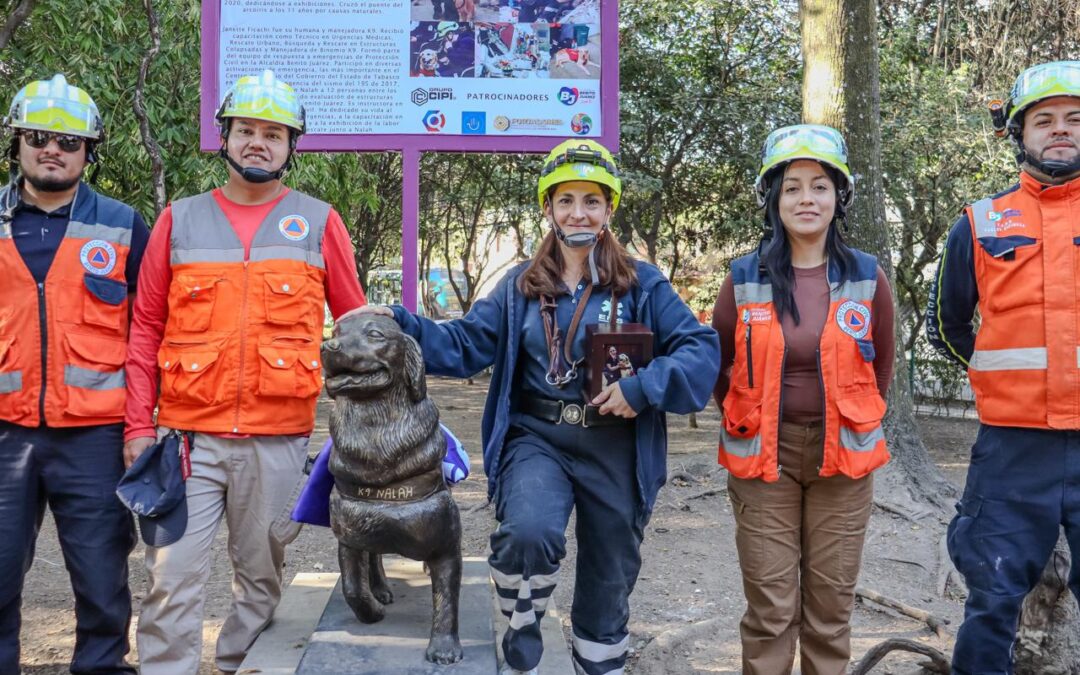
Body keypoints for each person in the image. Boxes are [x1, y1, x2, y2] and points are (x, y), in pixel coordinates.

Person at [357, 139, 719, 675]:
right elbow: (466, 344)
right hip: (538, 437)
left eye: (592, 200)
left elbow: (700, 349)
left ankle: (599, 662)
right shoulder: (519, 286)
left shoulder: (642, 284)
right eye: (565, 199)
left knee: (610, 572)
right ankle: (523, 620)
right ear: (547, 207)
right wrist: (402, 322)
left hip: (616, 445)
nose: (579, 211)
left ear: (609, 209)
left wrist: (643, 387)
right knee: (527, 531)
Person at [122, 70, 367, 674]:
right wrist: (136, 426)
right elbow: (145, 330)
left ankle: (239, 665)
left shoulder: (318, 220)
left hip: (278, 440)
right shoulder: (178, 221)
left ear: (290, 147)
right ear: (225, 137)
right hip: (188, 439)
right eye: (246, 130)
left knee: (259, 581)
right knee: (170, 576)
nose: (258, 142)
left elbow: (361, 331)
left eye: (273, 134)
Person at [712, 124, 895, 674]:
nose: (806, 198)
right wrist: (753, 418)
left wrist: (848, 416)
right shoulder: (744, 277)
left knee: (830, 609)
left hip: (844, 459)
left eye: (820, 186)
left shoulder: (867, 276)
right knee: (770, 609)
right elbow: (720, 365)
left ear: (839, 197)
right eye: (792, 187)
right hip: (763, 460)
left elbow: (880, 366)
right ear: (774, 199)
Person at [926, 60, 1080, 675]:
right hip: (1012, 450)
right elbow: (946, 325)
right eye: (1044, 120)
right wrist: (999, 378)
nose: (1060, 130)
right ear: (1020, 133)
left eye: (1074, 118)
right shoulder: (980, 222)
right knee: (991, 599)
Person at [0, 74, 149, 675]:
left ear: (89, 150)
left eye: (68, 140)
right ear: (17, 143)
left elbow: (148, 332)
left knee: (101, 581)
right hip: (4, 433)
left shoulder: (121, 224)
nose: (52, 149)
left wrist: (143, 424)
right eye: (38, 136)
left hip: (96, 437)